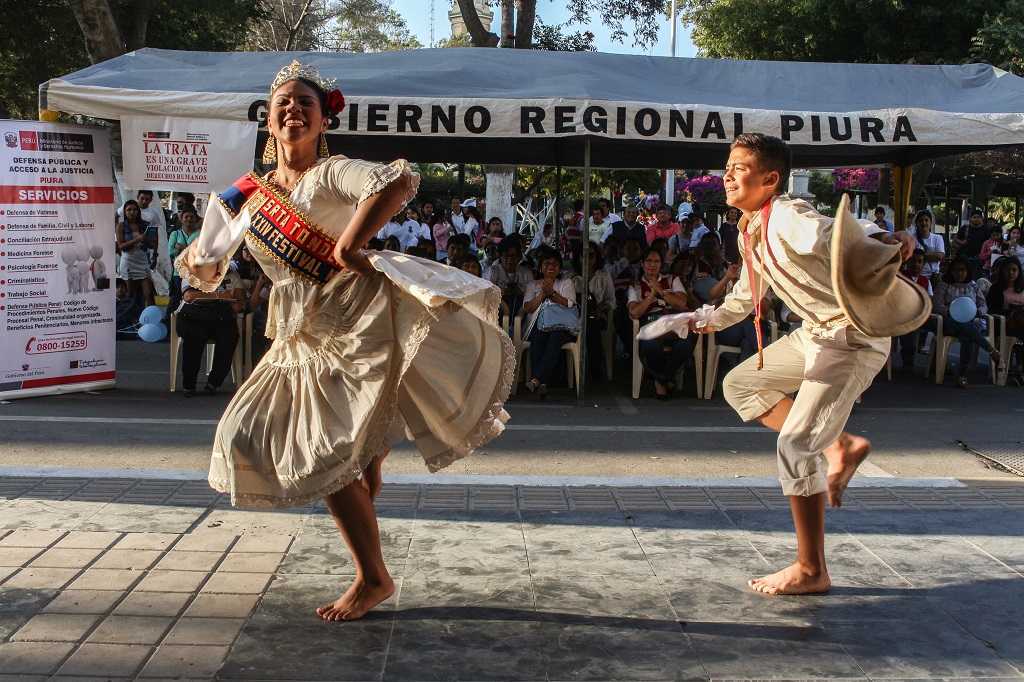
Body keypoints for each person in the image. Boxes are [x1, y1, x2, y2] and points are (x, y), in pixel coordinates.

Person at [176, 61, 513, 621]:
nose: (292, 109)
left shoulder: (332, 174)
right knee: (261, 437)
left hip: (354, 321)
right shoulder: (242, 196)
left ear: (321, 119)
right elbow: (207, 263)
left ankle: (372, 577)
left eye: (304, 102)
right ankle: (367, 508)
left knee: (327, 451)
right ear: (269, 119)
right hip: (296, 335)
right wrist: (200, 263)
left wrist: (348, 248)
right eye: (282, 101)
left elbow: (396, 180)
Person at [690, 133, 928, 596]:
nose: (727, 176)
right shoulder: (749, 229)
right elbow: (746, 297)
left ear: (770, 178)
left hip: (851, 339)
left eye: (739, 168)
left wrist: (885, 237)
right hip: (815, 333)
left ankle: (811, 568)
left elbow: (829, 233)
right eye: (727, 167)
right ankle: (839, 446)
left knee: (796, 446)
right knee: (740, 384)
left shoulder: (786, 213)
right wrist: (709, 320)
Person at [629, 246, 699, 399]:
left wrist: (661, 291)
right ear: (642, 264)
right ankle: (666, 381)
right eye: (648, 261)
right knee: (651, 346)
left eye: (656, 261)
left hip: (674, 324)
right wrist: (651, 295)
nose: (652, 265)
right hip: (652, 324)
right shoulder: (635, 286)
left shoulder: (672, 279)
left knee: (686, 344)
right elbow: (634, 312)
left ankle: (660, 381)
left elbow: (681, 304)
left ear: (661, 264)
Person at [932, 256, 999, 388]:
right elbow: (937, 306)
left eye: (963, 270)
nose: (960, 273)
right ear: (951, 271)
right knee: (961, 322)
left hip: (969, 322)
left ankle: (962, 376)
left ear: (968, 271)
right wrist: (952, 312)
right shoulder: (943, 286)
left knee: (967, 336)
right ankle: (989, 348)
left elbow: (983, 305)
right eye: (956, 270)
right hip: (949, 323)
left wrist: (979, 312)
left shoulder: (973, 286)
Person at [177, 268, 245, 397]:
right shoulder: (192, 272)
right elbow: (189, 296)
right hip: (194, 315)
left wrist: (239, 305)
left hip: (219, 316)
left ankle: (214, 382)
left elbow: (240, 299)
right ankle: (189, 384)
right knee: (195, 336)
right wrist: (218, 296)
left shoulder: (231, 275)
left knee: (230, 336)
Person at [522, 246, 577, 397]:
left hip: (563, 326)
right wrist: (542, 294)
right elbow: (528, 308)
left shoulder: (566, 283)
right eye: (546, 263)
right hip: (537, 324)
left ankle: (535, 380)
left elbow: (569, 303)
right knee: (539, 337)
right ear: (540, 266)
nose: (550, 267)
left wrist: (552, 293)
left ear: (560, 267)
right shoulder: (532, 285)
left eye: (554, 264)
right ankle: (541, 383)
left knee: (555, 338)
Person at [571, 241, 616, 382]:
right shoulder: (570, 277)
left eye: (591, 255)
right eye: (583, 255)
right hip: (574, 318)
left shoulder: (604, 276)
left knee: (592, 326)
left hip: (596, 317)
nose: (588, 259)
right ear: (578, 257)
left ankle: (595, 365)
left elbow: (612, 300)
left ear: (597, 258)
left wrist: (602, 307)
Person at [896, 249, 935, 373]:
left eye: (920, 261)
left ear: (924, 264)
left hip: (921, 315)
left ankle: (936, 362)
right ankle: (908, 359)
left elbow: (929, 301)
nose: (916, 264)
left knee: (940, 325)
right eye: (913, 261)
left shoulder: (926, 281)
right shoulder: (898, 277)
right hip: (903, 315)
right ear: (907, 262)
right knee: (907, 324)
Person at [986, 256, 1024, 383]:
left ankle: (1020, 364)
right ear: (1002, 271)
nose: (1011, 273)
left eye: (1014, 270)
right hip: (1003, 323)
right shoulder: (996, 289)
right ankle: (1020, 364)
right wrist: (1011, 313)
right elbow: (992, 309)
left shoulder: (1022, 288)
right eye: (1007, 269)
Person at [115, 199, 156, 308]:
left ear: (138, 211)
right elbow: (121, 246)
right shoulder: (121, 226)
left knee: (149, 292)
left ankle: (151, 318)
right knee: (129, 292)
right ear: (124, 212)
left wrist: (146, 240)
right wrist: (136, 239)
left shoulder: (144, 225)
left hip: (142, 259)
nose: (132, 212)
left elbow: (151, 245)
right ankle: (129, 317)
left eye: (134, 210)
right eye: (129, 210)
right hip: (128, 260)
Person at [166, 207, 202, 323]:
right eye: (186, 217)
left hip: (195, 272)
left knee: (193, 299)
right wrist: (190, 249)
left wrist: (181, 247)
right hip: (179, 271)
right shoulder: (175, 234)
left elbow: (200, 251)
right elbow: (171, 250)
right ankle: (168, 323)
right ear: (181, 219)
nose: (189, 219)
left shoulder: (200, 234)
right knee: (175, 299)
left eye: (191, 217)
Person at [487, 238, 532, 321]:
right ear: (500, 257)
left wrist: (522, 293)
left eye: (513, 257)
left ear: (519, 257)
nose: (509, 261)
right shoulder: (492, 271)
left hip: (520, 311)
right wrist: (498, 291)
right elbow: (485, 292)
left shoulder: (526, 273)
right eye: (506, 257)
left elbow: (532, 294)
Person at [910, 210, 944, 279]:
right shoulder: (911, 238)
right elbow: (909, 255)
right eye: (920, 220)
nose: (924, 223)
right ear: (916, 223)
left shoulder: (937, 238)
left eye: (926, 220)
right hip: (915, 276)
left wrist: (919, 256)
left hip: (932, 276)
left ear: (931, 223)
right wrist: (931, 255)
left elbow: (939, 256)